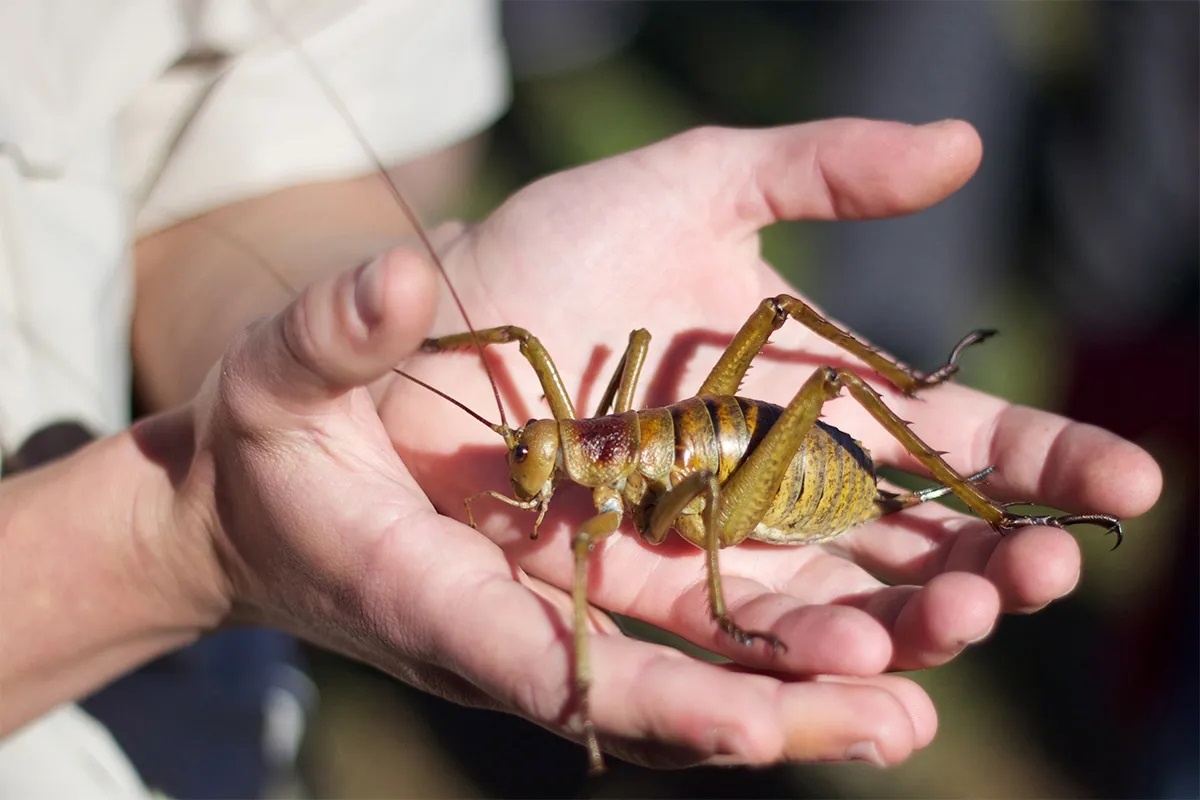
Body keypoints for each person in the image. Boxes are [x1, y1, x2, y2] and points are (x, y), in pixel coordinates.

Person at [0, 1, 1163, 796]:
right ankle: (954, 468)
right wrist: (185, 539)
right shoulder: (568, 447)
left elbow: (238, 160)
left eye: (540, 450)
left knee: (801, 390)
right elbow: (522, 369)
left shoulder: (601, 494)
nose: (529, 472)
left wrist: (382, 297)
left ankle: (946, 440)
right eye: (534, 449)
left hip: (762, 472)